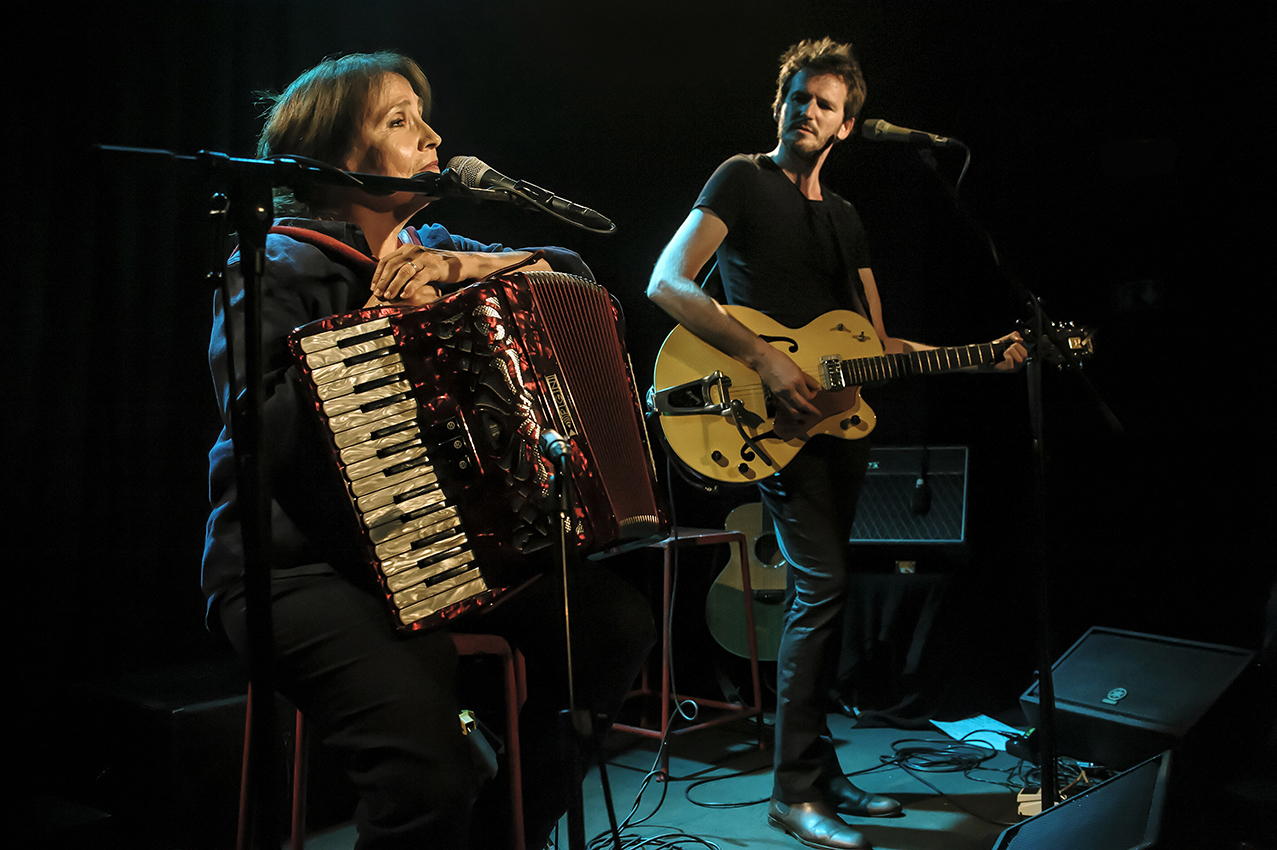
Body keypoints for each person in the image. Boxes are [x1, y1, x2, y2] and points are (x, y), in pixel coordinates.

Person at [201, 52, 655, 849]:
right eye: (400, 119)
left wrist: (457, 267)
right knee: (426, 773)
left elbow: (572, 271)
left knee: (614, 624)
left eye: (422, 114)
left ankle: (505, 831)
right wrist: (375, 332)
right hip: (301, 574)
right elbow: (259, 440)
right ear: (335, 156)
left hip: (446, 553)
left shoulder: (435, 242)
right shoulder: (273, 262)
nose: (433, 134)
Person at [646, 38, 1025, 850]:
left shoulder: (845, 218)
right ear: (778, 106)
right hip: (763, 417)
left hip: (835, 424)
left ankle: (822, 772)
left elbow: (879, 345)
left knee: (832, 591)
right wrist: (762, 357)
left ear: (848, 125)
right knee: (818, 592)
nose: (806, 112)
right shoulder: (740, 178)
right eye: (797, 98)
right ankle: (792, 792)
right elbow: (666, 281)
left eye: (824, 103)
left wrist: (981, 354)